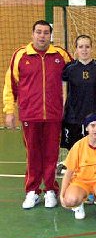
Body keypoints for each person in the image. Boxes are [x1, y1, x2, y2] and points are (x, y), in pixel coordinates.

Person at [2, 20, 73, 209]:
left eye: (46, 33)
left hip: (53, 115)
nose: (42, 36)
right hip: (29, 115)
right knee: (33, 154)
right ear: (32, 34)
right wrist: (9, 111)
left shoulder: (61, 55)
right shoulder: (20, 55)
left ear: (51, 35)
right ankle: (32, 191)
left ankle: (50, 189)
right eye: (39, 32)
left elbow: (80, 69)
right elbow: (11, 84)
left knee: (51, 154)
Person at [61, 35, 96, 150]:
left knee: (95, 151)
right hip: (73, 119)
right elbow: (61, 91)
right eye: (81, 47)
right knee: (74, 152)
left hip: (94, 119)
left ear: (92, 48)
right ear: (76, 49)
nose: (84, 50)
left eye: (87, 47)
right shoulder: (69, 68)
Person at [60, 114, 96, 219]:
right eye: (92, 126)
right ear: (87, 128)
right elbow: (68, 173)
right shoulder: (78, 146)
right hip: (81, 182)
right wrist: (62, 194)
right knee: (70, 200)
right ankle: (79, 205)